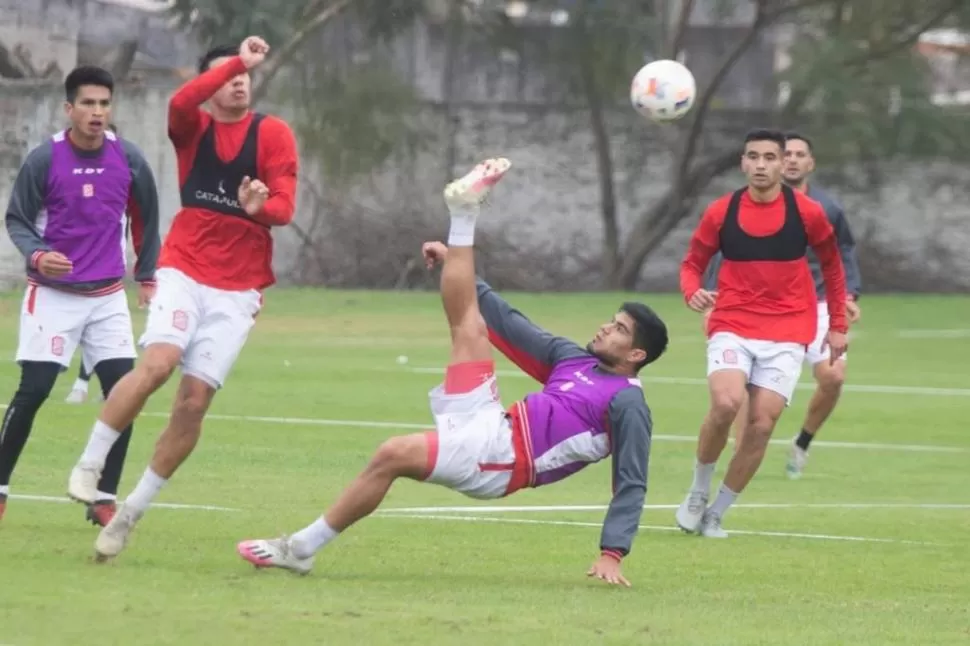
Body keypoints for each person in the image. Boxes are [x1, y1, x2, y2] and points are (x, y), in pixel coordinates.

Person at [235, 158, 668, 587]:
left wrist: (612, 552)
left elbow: (632, 480)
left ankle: (299, 549)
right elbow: (509, 321)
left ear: (636, 354)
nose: (606, 328)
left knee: (392, 453)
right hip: (493, 421)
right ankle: (463, 217)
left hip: (502, 461)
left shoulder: (627, 402)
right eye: (611, 321)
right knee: (470, 323)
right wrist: (454, 261)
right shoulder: (576, 360)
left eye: (619, 330)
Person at [66, 36, 299, 560]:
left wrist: (260, 207)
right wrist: (239, 57)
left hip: (238, 288)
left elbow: (285, 208)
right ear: (209, 85)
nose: (239, 79)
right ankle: (89, 462)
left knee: (194, 403)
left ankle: (130, 514)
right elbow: (178, 103)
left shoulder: (273, 133)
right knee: (158, 364)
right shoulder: (191, 126)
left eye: (244, 74)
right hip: (185, 268)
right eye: (226, 74)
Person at [0, 67, 160, 526]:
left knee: (124, 394)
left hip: (107, 297)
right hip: (52, 296)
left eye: (104, 103)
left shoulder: (128, 158)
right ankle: (1, 487)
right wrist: (37, 255)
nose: (97, 112)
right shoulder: (43, 160)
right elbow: (18, 220)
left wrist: (147, 275)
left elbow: (147, 218)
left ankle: (104, 497)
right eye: (87, 103)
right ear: (69, 109)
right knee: (33, 392)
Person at [677, 128, 848, 538]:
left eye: (770, 157)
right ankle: (699, 490)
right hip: (733, 323)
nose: (761, 165)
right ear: (743, 163)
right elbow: (691, 263)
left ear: (781, 164)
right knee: (726, 403)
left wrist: (838, 325)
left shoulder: (807, 213)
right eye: (753, 156)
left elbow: (833, 268)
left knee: (762, 425)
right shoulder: (721, 211)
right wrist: (692, 292)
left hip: (789, 330)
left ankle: (717, 513)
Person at [700, 132, 862, 479]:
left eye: (798, 154)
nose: (790, 160)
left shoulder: (825, 209)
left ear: (810, 163)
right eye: (784, 154)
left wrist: (850, 297)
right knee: (743, 391)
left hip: (814, 304)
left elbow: (841, 255)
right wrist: (713, 298)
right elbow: (725, 252)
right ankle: (737, 465)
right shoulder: (738, 207)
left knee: (833, 376)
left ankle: (802, 442)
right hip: (754, 310)